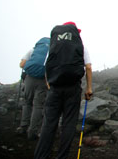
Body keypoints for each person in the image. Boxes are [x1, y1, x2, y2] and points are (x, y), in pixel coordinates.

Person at [34, 22, 93, 159]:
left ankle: (41, 156)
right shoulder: (81, 47)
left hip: (55, 88)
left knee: (49, 124)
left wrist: (50, 84)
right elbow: (88, 67)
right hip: (73, 88)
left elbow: (47, 66)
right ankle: (62, 156)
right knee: (69, 123)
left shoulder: (54, 46)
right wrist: (89, 88)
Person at [17, 37, 50, 140]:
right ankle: (32, 132)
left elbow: (21, 64)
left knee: (27, 102)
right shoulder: (51, 53)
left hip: (29, 78)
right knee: (38, 106)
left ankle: (23, 127)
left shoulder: (33, 50)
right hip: (43, 80)